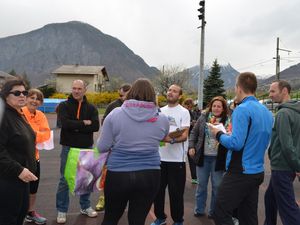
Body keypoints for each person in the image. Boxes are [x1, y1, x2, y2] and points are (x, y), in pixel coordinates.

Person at [97, 78, 169, 225]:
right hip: (150, 174)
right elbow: (162, 138)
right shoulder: (162, 118)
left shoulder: (115, 114)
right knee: (137, 220)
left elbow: (102, 147)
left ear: (131, 92)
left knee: (110, 218)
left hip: (118, 173)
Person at [209, 72, 273, 225]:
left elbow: (236, 144)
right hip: (257, 170)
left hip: (240, 171)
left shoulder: (242, 109)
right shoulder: (266, 111)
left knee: (220, 212)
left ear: (238, 88)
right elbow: (253, 137)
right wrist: (231, 135)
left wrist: (218, 134)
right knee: (248, 216)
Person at [55, 80, 100, 224]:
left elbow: (95, 126)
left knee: (86, 179)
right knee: (64, 180)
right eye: (74, 88)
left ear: (84, 90)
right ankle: (62, 210)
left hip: (86, 148)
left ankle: (85, 206)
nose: (76, 91)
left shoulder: (92, 108)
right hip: (68, 147)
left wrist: (76, 125)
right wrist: (83, 123)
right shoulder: (64, 106)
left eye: (79, 88)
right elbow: (65, 124)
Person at [151, 84, 190, 225]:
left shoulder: (184, 112)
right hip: (159, 159)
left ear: (180, 96)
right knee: (158, 192)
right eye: (169, 90)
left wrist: (170, 139)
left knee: (176, 194)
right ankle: (160, 218)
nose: (170, 92)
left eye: (174, 91)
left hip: (177, 161)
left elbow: (184, 135)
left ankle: (178, 220)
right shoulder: (160, 111)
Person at [0, 79, 38, 225]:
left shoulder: (18, 114)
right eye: (17, 93)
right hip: (8, 179)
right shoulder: (3, 117)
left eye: (24, 92)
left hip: (22, 179)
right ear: (5, 96)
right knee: (8, 218)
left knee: (20, 214)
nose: (22, 95)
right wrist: (19, 170)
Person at [264, 80, 300, 225]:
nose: (270, 95)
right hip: (287, 166)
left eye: (273, 91)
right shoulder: (296, 111)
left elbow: (286, 145)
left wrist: (298, 167)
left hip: (282, 167)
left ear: (284, 91)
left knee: (288, 209)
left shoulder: (283, 113)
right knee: (270, 199)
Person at [188, 96, 230, 219]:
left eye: (219, 106)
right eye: (214, 106)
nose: (216, 108)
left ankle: (214, 212)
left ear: (223, 108)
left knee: (217, 187)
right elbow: (193, 133)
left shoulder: (227, 121)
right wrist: (192, 146)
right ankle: (199, 209)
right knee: (201, 185)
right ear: (211, 106)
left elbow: (232, 137)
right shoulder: (203, 118)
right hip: (203, 158)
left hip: (218, 159)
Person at [95, 83, 131, 211]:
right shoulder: (113, 106)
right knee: (105, 174)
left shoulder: (134, 106)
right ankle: (102, 198)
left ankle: (122, 199)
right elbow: (104, 123)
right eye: (120, 95)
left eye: (125, 96)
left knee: (125, 176)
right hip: (111, 146)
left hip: (126, 148)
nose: (122, 98)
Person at [22, 89, 51, 224]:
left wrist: (31, 134)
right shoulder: (19, 113)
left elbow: (46, 135)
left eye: (37, 99)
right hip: (19, 159)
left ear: (40, 102)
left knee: (33, 188)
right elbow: (21, 135)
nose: (34, 101)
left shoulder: (40, 115)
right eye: (31, 97)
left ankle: (30, 212)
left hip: (34, 158)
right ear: (26, 99)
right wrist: (36, 134)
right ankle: (16, 214)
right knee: (17, 188)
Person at [183, 98, 198, 184]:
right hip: (183, 138)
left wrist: (194, 123)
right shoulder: (182, 112)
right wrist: (190, 123)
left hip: (190, 138)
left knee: (191, 158)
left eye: (190, 106)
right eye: (188, 105)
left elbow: (195, 124)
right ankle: (186, 177)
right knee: (182, 159)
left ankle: (194, 177)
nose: (189, 107)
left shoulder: (192, 113)